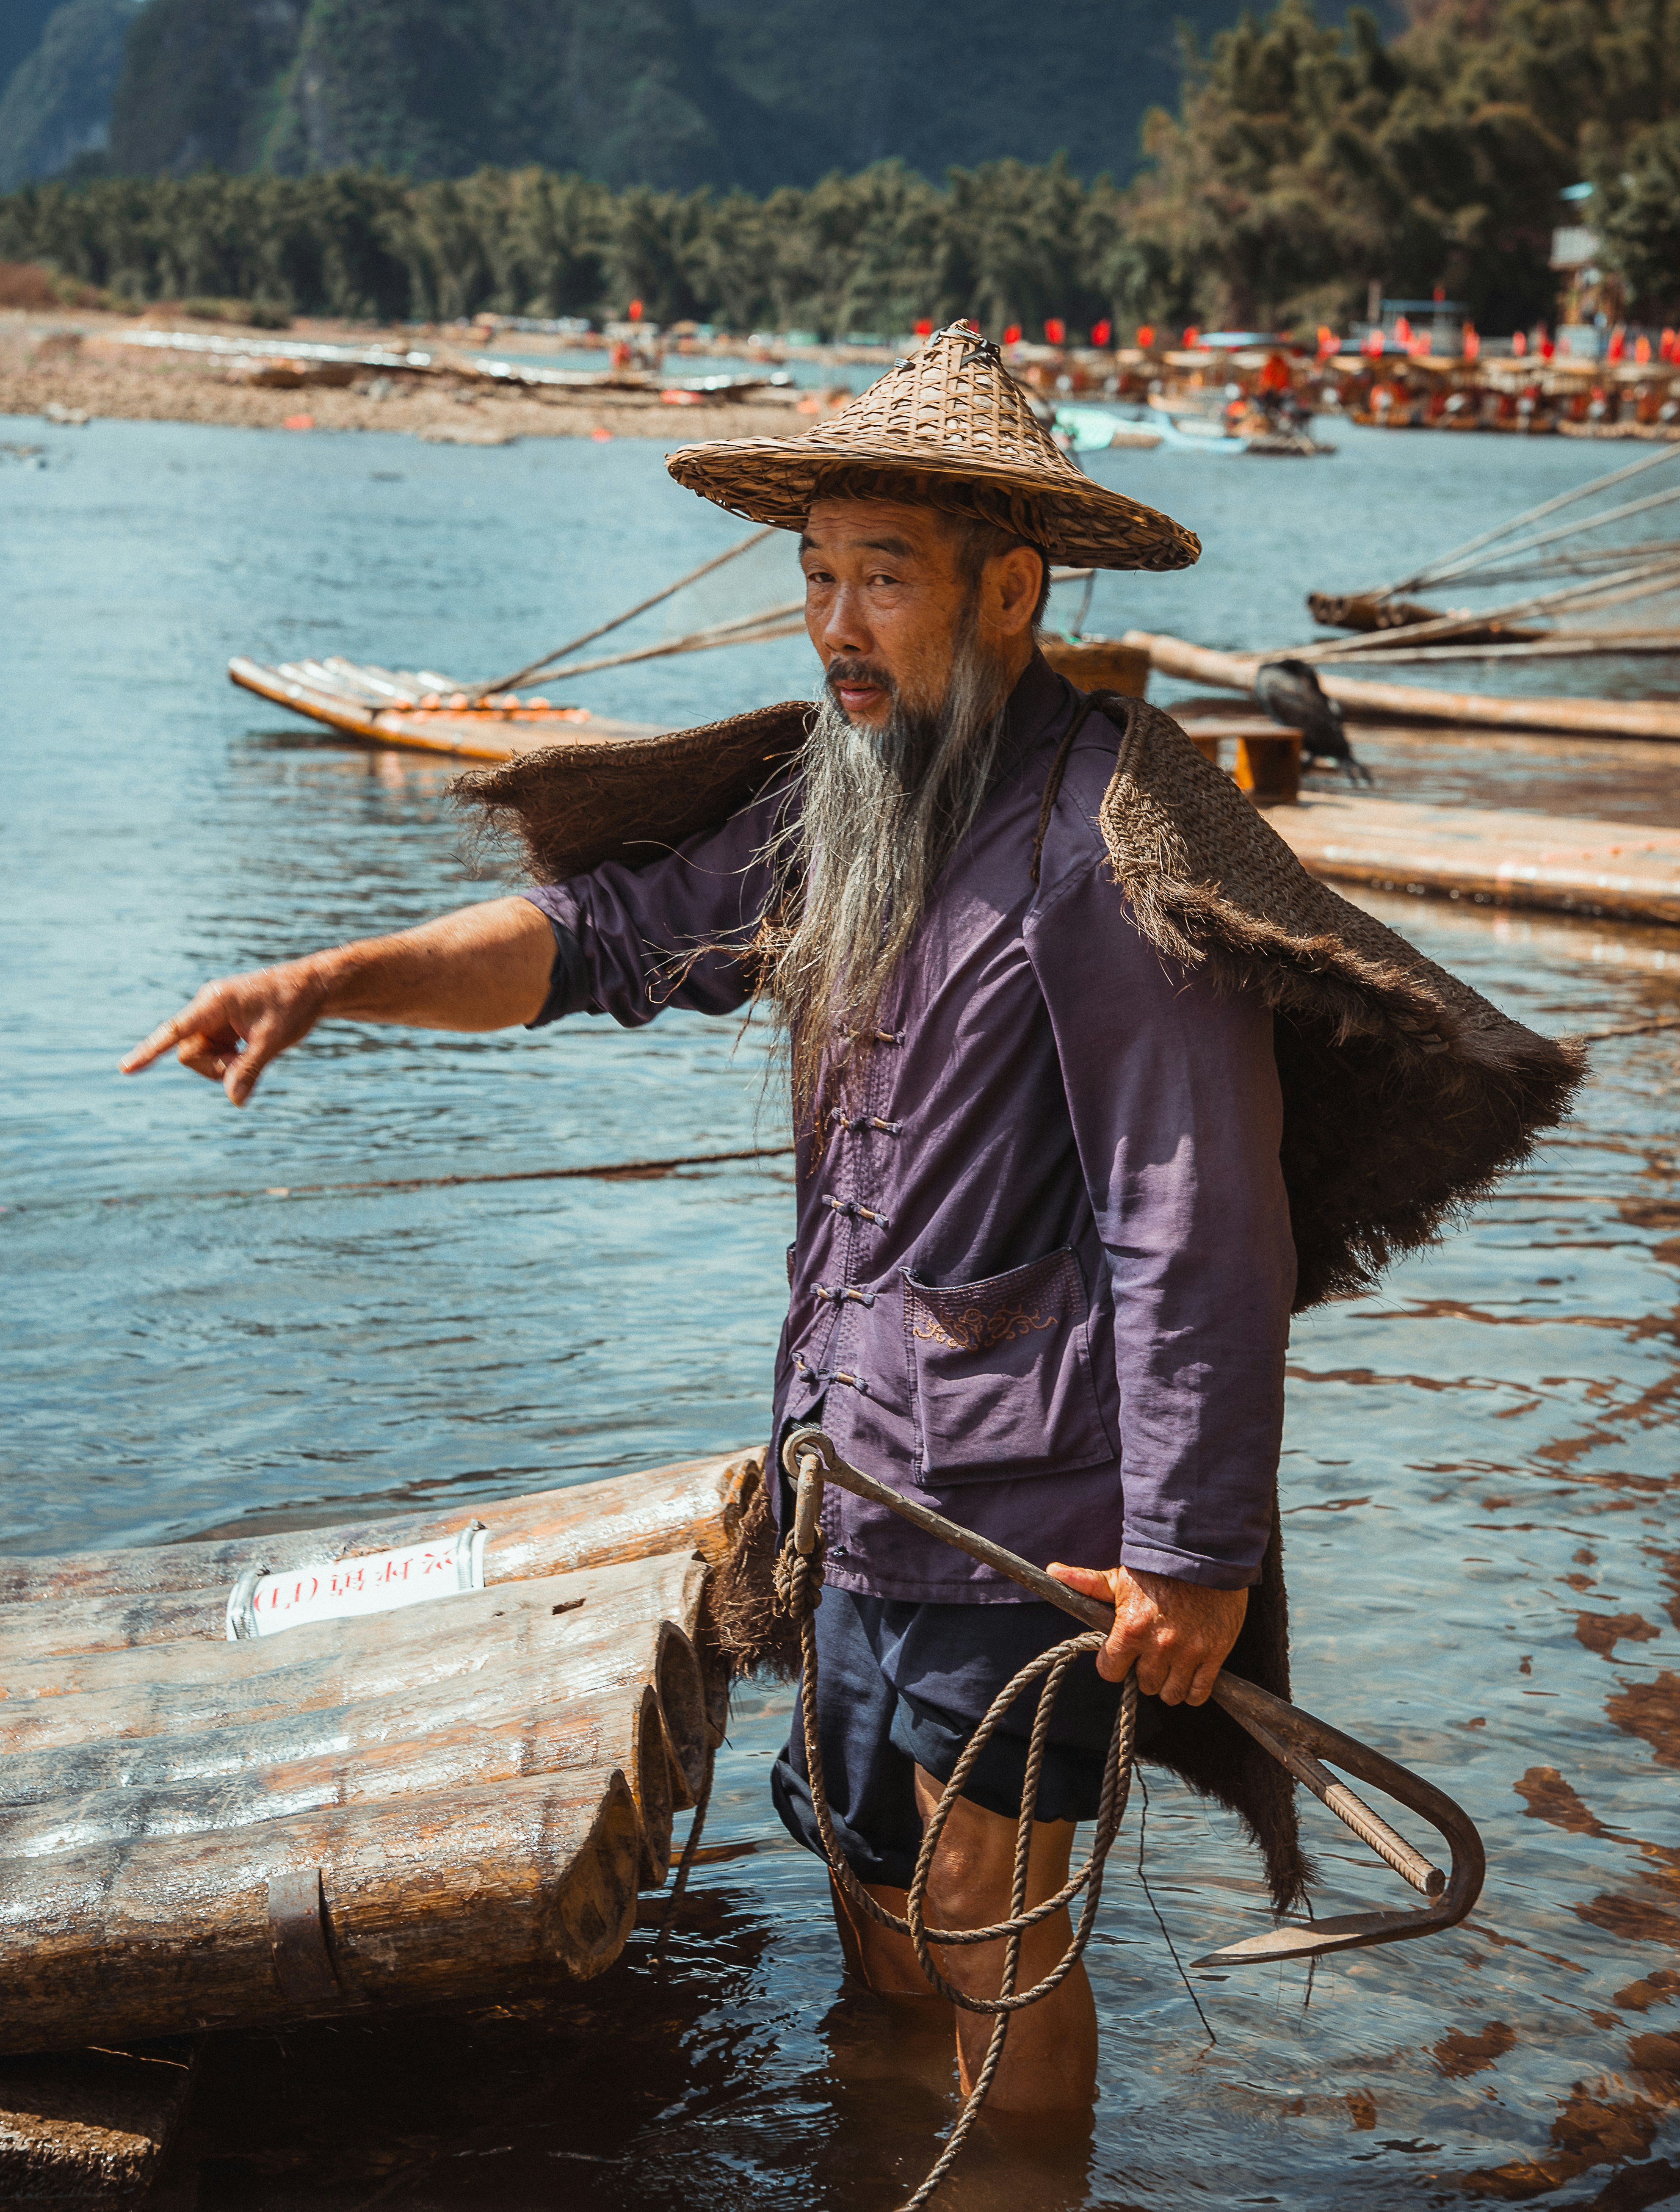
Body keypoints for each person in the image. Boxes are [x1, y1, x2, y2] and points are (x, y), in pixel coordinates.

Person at [123, 324, 1578, 2115]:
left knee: (987, 1931)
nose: (834, 624)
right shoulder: (846, 802)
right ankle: (883, 2162)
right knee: (870, 1901)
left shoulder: (1105, 849)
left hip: (1033, 1527)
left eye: (882, 578)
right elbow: (595, 937)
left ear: (1010, 592)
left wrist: (1195, 1555)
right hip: (852, 1484)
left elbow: (1189, 1218)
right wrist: (334, 981)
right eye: (815, 576)